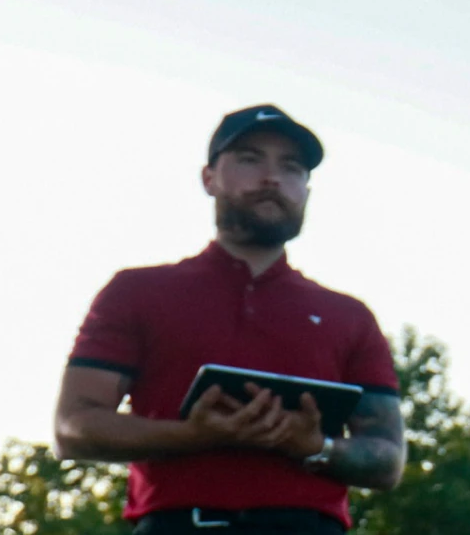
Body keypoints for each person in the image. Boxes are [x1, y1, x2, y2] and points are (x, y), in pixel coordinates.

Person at [52, 105, 408, 533]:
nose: (272, 177)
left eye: (291, 166)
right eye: (249, 158)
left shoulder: (349, 316)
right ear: (209, 178)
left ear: (306, 192)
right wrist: (194, 435)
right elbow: (73, 427)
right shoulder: (136, 292)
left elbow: (387, 460)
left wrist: (314, 445)